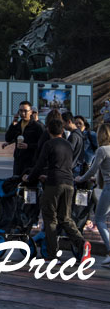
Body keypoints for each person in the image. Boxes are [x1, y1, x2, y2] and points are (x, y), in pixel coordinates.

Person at [23, 118, 91, 263]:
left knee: (50, 219)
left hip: (54, 184)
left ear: (49, 130)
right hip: (69, 183)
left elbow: (40, 164)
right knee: (65, 218)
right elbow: (64, 165)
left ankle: (52, 255)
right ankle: (82, 243)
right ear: (62, 131)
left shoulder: (49, 144)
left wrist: (30, 177)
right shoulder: (68, 144)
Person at [75, 123, 110, 267]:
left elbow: (92, 169)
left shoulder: (102, 150)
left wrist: (81, 178)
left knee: (100, 219)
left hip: (109, 188)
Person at [3, 100, 44, 177]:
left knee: (27, 185)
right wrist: (13, 123)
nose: (23, 113)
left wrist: (28, 146)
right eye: (20, 111)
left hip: (31, 161)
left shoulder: (37, 127)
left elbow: (42, 144)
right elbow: (8, 138)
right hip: (18, 160)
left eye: (25, 111)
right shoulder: (17, 125)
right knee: (15, 182)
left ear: (31, 112)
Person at [62, 111, 84, 176]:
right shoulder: (79, 133)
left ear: (69, 122)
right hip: (77, 166)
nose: (63, 126)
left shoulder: (73, 136)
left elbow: (68, 154)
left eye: (63, 123)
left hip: (73, 168)